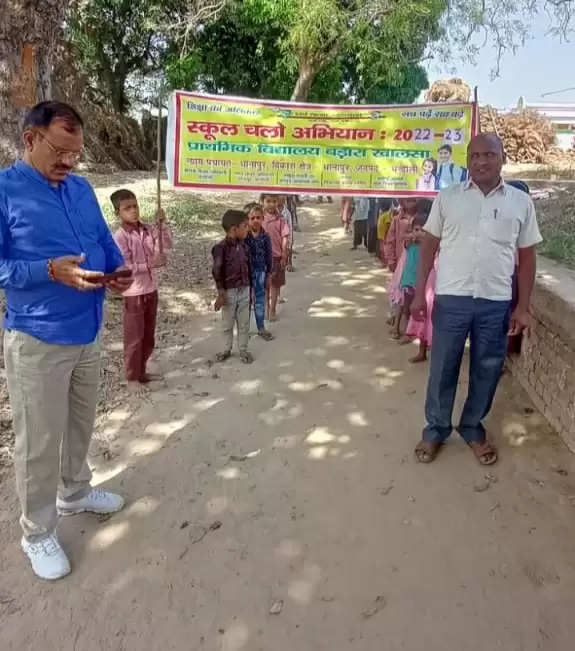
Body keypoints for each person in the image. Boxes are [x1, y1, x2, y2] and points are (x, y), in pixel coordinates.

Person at [0, 101, 131, 580]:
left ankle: (75, 491)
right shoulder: (5, 190)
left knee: (81, 423)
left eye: (76, 153)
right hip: (38, 339)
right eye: (60, 151)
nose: (69, 162)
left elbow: (101, 237)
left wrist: (117, 269)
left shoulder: (80, 188)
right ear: (30, 139)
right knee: (38, 442)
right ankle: (37, 533)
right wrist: (46, 271)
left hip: (88, 331)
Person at [411, 134, 542, 466]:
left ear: (502, 158)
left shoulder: (520, 203)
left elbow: (527, 258)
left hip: (495, 302)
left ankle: (471, 426)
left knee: (487, 368)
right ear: (467, 160)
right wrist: (417, 293)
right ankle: (436, 429)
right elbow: (428, 246)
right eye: (475, 155)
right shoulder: (448, 198)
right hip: (451, 299)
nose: (482, 161)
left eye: (489, 154)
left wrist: (523, 307)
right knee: (442, 368)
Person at [112, 189, 173, 387]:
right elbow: (125, 266)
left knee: (148, 334)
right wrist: (149, 264)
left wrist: (162, 226)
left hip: (151, 289)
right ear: (117, 213)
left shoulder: (148, 229)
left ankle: (142, 370)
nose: (133, 211)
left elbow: (166, 245)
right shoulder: (120, 237)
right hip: (134, 292)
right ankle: (132, 377)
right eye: (127, 208)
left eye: (135, 206)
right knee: (134, 336)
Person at [212, 210, 253, 364]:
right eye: (245, 226)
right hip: (229, 292)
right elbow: (216, 271)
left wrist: (252, 290)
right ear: (234, 229)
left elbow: (249, 268)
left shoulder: (245, 247)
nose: (247, 229)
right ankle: (226, 349)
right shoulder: (220, 248)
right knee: (228, 323)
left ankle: (243, 350)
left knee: (244, 323)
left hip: (245, 289)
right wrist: (221, 293)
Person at [392, 214, 426, 341]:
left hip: (419, 280)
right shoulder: (409, 243)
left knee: (414, 307)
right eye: (416, 229)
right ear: (412, 230)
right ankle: (400, 329)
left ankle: (410, 332)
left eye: (423, 230)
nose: (419, 233)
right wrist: (412, 236)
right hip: (407, 279)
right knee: (404, 305)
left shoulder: (426, 245)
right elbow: (402, 237)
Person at [244, 202, 274, 341]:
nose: (256, 220)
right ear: (247, 220)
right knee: (245, 302)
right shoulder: (244, 238)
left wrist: (268, 274)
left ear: (263, 218)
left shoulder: (266, 237)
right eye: (252, 218)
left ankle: (261, 328)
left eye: (258, 217)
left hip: (261, 273)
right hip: (245, 275)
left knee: (260, 301)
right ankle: (244, 330)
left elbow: (269, 257)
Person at [261, 194, 290, 321]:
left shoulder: (281, 219)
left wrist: (284, 254)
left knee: (274, 285)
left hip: (276, 257)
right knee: (264, 285)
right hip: (261, 257)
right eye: (268, 201)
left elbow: (285, 238)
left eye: (274, 201)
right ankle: (266, 307)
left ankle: (272, 309)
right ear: (262, 202)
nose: (271, 204)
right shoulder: (259, 218)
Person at [384, 198, 417, 271]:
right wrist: (391, 260)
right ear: (401, 202)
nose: (411, 200)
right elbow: (390, 241)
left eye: (413, 199)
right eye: (407, 199)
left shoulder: (422, 218)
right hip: (400, 261)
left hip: (418, 261)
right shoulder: (396, 220)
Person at [376, 198, 394, 266]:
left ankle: (385, 262)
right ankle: (383, 262)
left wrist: (387, 236)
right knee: (382, 249)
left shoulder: (387, 215)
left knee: (384, 250)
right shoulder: (382, 214)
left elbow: (388, 225)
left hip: (384, 237)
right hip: (381, 236)